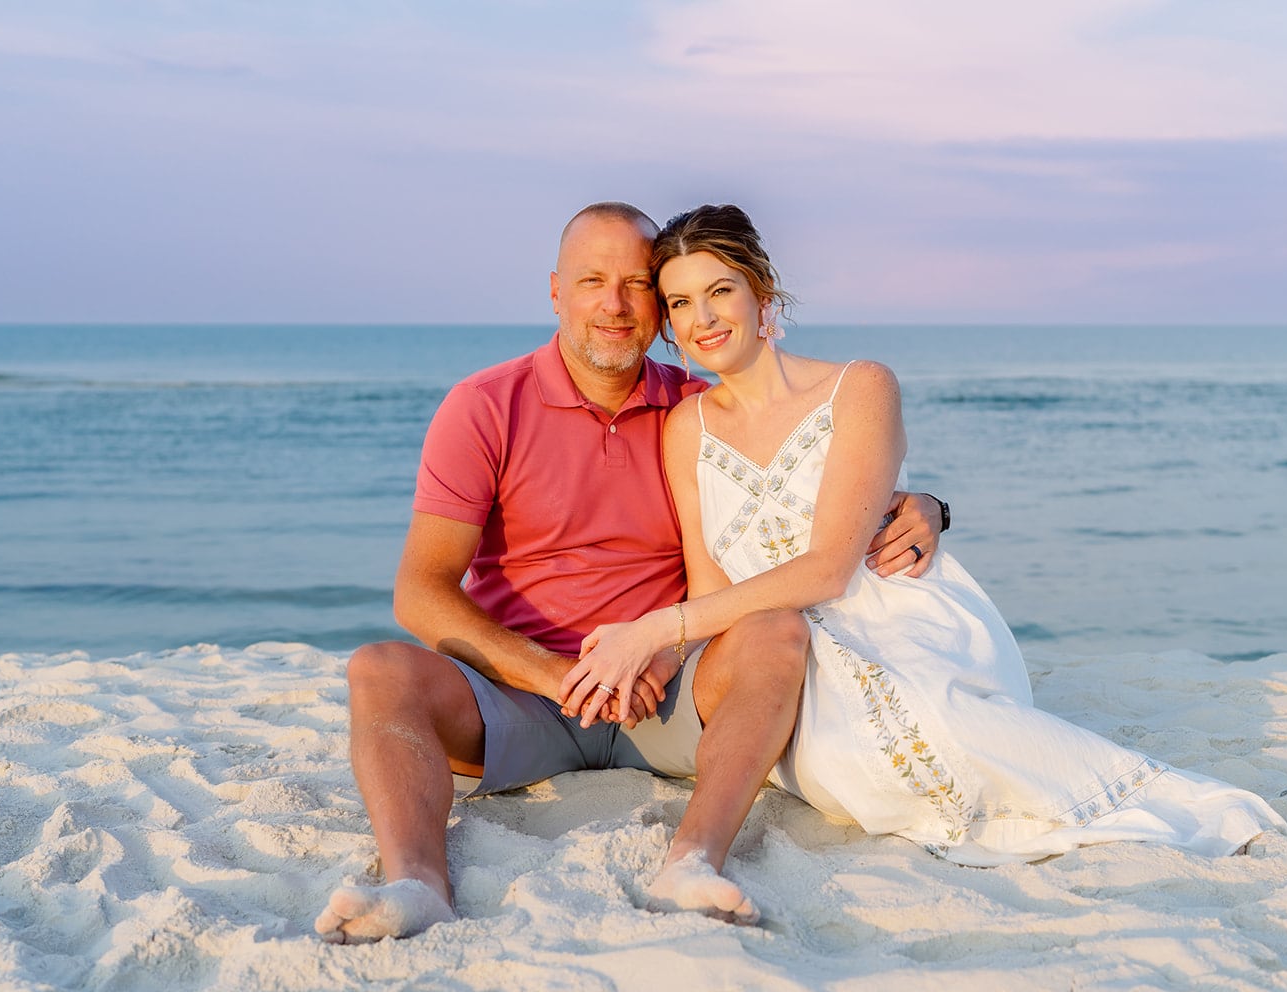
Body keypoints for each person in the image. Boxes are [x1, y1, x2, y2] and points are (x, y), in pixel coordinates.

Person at [563, 204, 1287, 866]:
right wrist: (662, 657)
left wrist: (655, 627)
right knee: (846, 759)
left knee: (941, 715)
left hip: (898, 614)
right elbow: (712, 583)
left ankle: (1170, 808)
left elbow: (828, 570)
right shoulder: (687, 427)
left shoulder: (860, 387)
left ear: (763, 297)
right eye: (681, 302)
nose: (703, 318)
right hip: (783, 650)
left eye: (720, 290)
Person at [314, 202, 945, 942]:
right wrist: (556, 675)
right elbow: (420, 590)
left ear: (660, 305)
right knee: (380, 669)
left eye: (635, 285)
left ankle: (693, 860)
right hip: (521, 696)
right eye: (591, 281)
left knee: (776, 632)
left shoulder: (699, 410)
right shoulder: (484, 406)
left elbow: (814, 489)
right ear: (556, 291)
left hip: (667, 691)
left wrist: (927, 503)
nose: (613, 305)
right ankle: (417, 882)